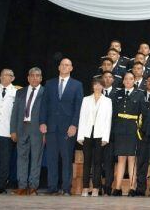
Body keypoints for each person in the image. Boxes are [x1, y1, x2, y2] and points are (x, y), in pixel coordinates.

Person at [39, 58, 84, 195]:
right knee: (51, 159)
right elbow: (44, 105)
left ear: (71, 68)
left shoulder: (77, 85)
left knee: (66, 158)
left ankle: (66, 188)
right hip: (51, 127)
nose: (65, 67)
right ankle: (52, 187)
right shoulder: (50, 83)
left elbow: (78, 107)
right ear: (59, 67)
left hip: (67, 129)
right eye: (62, 65)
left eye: (67, 65)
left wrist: (74, 125)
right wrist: (42, 122)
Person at [10, 67, 45, 196]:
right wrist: (13, 130)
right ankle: (22, 186)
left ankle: (33, 187)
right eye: (32, 75)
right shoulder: (20, 92)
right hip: (21, 128)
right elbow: (14, 113)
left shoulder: (45, 92)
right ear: (28, 78)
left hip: (37, 130)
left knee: (36, 159)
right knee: (21, 158)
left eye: (37, 76)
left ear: (41, 78)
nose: (35, 78)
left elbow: (47, 114)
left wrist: (45, 131)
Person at [77, 78, 112, 197]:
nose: (97, 87)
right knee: (87, 162)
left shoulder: (108, 101)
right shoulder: (86, 99)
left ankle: (96, 188)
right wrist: (80, 135)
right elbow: (82, 118)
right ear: (92, 86)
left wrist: (105, 138)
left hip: (100, 135)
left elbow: (108, 120)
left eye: (99, 85)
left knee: (97, 162)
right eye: (95, 85)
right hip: (87, 133)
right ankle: (85, 188)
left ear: (103, 87)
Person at [110, 73, 144, 196]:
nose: (128, 81)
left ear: (134, 81)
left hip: (132, 129)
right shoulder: (117, 94)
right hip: (120, 130)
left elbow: (142, 113)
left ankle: (132, 187)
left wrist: (140, 130)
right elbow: (113, 114)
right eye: (126, 79)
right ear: (123, 81)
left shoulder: (140, 94)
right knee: (120, 159)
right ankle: (117, 187)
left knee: (132, 158)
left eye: (131, 79)